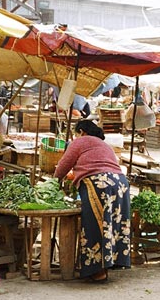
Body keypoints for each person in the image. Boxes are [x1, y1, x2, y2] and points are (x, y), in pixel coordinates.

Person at [54, 120, 131, 283]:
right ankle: (112, 262)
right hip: (120, 183)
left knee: (94, 223)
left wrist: (54, 182)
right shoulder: (104, 145)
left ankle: (97, 270)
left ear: (81, 131)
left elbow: (64, 165)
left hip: (99, 182)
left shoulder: (80, 141)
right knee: (113, 224)